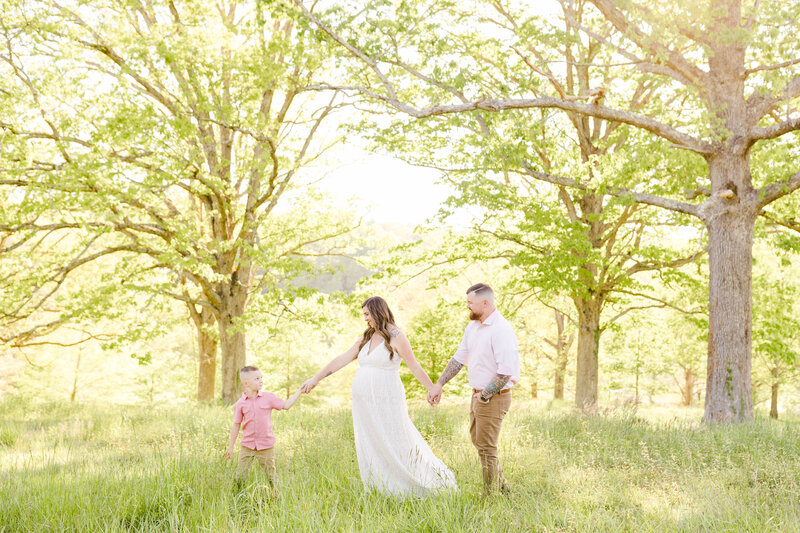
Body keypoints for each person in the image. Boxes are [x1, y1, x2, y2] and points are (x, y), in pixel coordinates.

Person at [299, 296, 456, 497]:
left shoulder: (397, 336)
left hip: (387, 397)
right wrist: (316, 378)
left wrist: (432, 388)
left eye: (367, 314)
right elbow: (341, 359)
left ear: (377, 311)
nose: (365, 319)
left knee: (394, 437)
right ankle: (380, 486)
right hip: (363, 403)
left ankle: (408, 483)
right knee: (370, 439)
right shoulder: (365, 339)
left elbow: (414, 366)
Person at [427, 283, 520, 495]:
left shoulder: (501, 330)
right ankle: (503, 489)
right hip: (479, 395)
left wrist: (485, 396)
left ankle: (491, 497)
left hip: (494, 396)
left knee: (487, 447)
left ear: (485, 303)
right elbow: (459, 359)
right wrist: (439, 384)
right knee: (479, 441)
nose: (467, 306)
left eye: (470, 302)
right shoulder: (473, 327)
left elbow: (505, 371)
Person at [226, 366, 302, 490]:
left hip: (265, 445)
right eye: (257, 379)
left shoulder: (268, 397)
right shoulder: (240, 404)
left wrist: (299, 391)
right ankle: (239, 498)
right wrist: (230, 447)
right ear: (246, 383)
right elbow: (236, 426)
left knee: (271, 475)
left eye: (261, 378)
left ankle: (276, 497)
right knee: (240, 476)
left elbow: (286, 405)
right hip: (247, 445)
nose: (261, 381)